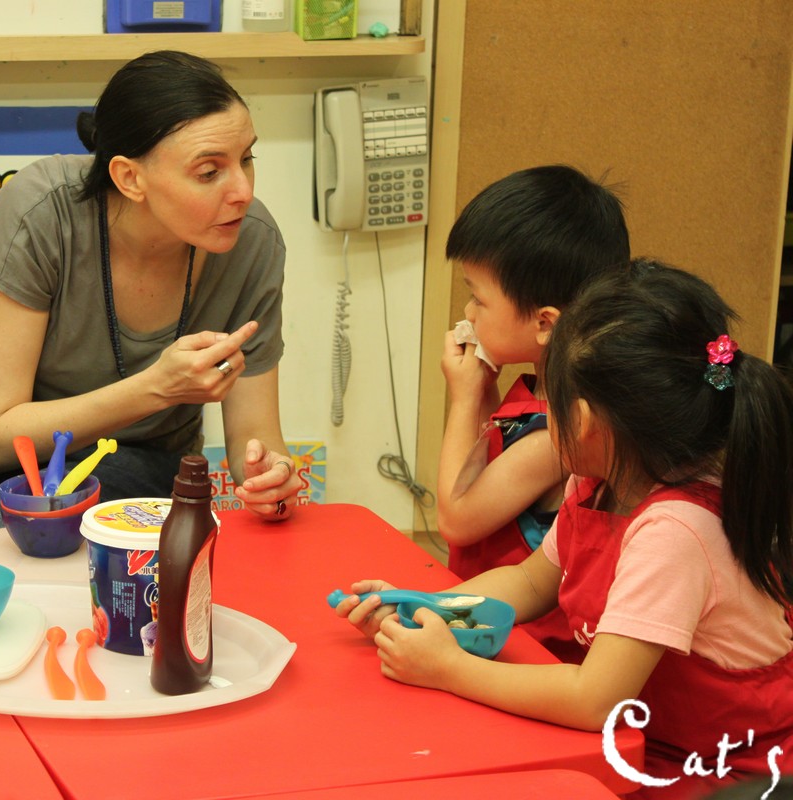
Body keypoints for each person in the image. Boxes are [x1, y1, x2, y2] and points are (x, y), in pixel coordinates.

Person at [336, 260, 793, 798]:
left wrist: (448, 668)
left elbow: (593, 699)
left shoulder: (675, 532)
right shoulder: (598, 480)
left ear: (582, 420)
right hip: (642, 740)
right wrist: (421, 609)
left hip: (722, 772)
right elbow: (530, 581)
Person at [0, 50, 299, 568]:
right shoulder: (40, 209)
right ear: (129, 178)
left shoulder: (252, 242)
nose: (242, 191)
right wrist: (156, 387)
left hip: (135, 451)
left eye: (247, 159)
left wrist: (271, 477)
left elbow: (255, 437)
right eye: (209, 172)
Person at [436, 165, 629, 660]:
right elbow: (487, 456)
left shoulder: (560, 434)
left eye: (479, 298)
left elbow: (457, 518)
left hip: (529, 647)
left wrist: (464, 398)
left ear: (545, 323)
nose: (469, 312)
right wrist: (484, 389)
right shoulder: (539, 392)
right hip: (487, 620)